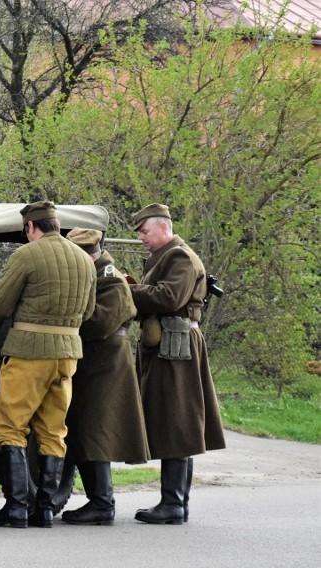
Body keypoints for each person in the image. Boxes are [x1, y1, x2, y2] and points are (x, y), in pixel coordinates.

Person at [0, 201, 97, 528]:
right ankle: (45, 510)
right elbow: (87, 313)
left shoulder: (26, 256)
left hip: (30, 354)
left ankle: (16, 508)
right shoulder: (84, 260)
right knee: (53, 431)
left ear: (31, 227)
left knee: (11, 426)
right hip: (67, 356)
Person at [129, 204, 226, 525]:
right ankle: (175, 503)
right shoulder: (167, 256)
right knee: (175, 418)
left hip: (176, 347)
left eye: (144, 231)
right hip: (171, 345)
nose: (141, 238)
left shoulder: (180, 257)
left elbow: (168, 298)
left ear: (163, 228)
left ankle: (173, 503)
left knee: (176, 419)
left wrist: (129, 291)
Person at [61, 228, 150, 526]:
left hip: (107, 365)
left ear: (88, 255)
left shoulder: (110, 279)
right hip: (94, 364)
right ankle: (98, 500)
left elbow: (99, 322)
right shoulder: (98, 276)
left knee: (96, 430)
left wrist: (66, 313)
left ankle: (102, 503)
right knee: (85, 429)